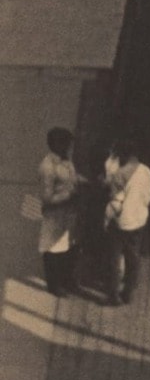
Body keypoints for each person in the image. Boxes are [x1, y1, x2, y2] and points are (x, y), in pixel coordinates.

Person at [104, 138, 150, 306]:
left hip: (121, 223)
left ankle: (113, 295)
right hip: (139, 220)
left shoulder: (120, 174)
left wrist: (107, 219)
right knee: (133, 257)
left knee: (115, 259)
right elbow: (148, 195)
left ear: (123, 154)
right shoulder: (146, 171)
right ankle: (128, 292)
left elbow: (115, 203)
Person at [38, 127, 82, 297]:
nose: (70, 148)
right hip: (55, 216)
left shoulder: (66, 160)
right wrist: (69, 195)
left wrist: (83, 182)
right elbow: (47, 199)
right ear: (58, 145)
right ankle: (54, 285)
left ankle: (67, 281)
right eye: (68, 145)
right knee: (53, 250)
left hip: (70, 213)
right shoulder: (48, 167)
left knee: (71, 247)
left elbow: (71, 177)